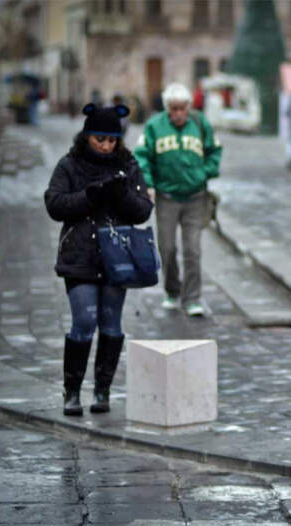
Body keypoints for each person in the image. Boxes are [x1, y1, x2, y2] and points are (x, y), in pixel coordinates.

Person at [44, 103, 153, 416]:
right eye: (100, 139)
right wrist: (89, 196)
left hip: (117, 257)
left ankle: (102, 390)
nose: (106, 146)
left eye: (112, 140)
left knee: (111, 323)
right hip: (80, 254)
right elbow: (54, 204)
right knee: (84, 320)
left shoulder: (128, 165)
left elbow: (143, 210)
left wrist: (121, 195)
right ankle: (72, 391)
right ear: (87, 136)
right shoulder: (70, 164)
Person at [134, 82, 222, 316]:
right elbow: (142, 156)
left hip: (196, 197)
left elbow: (215, 150)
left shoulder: (200, 123)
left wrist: (205, 172)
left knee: (193, 250)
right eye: (174, 109)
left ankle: (192, 298)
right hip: (167, 197)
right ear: (167, 108)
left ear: (188, 107)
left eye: (183, 108)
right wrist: (148, 184)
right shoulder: (154, 126)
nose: (179, 113)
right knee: (168, 248)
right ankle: (172, 290)